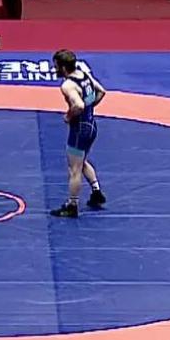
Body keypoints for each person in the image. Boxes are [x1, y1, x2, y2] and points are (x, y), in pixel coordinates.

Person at [50, 49, 107, 218]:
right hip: (91, 125)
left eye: (56, 66)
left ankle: (72, 205)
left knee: (74, 169)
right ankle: (96, 192)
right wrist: (90, 108)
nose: (55, 69)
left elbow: (79, 105)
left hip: (79, 129)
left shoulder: (68, 85)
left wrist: (69, 116)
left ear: (63, 68)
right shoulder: (83, 74)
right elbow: (101, 91)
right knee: (81, 162)